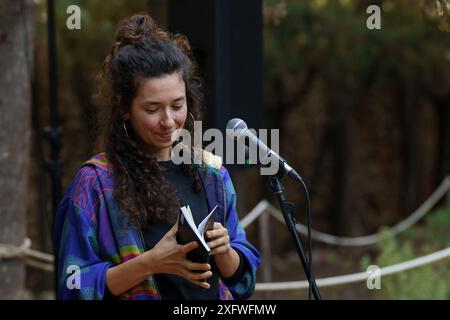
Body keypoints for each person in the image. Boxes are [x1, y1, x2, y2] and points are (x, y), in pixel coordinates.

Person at [53, 14, 261, 300]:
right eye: (152, 109)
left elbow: (243, 284)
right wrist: (151, 262)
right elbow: (71, 287)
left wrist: (225, 252)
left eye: (177, 104)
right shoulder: (95, 183)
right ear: (124, 107)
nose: (169, 121)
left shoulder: (211, 173)